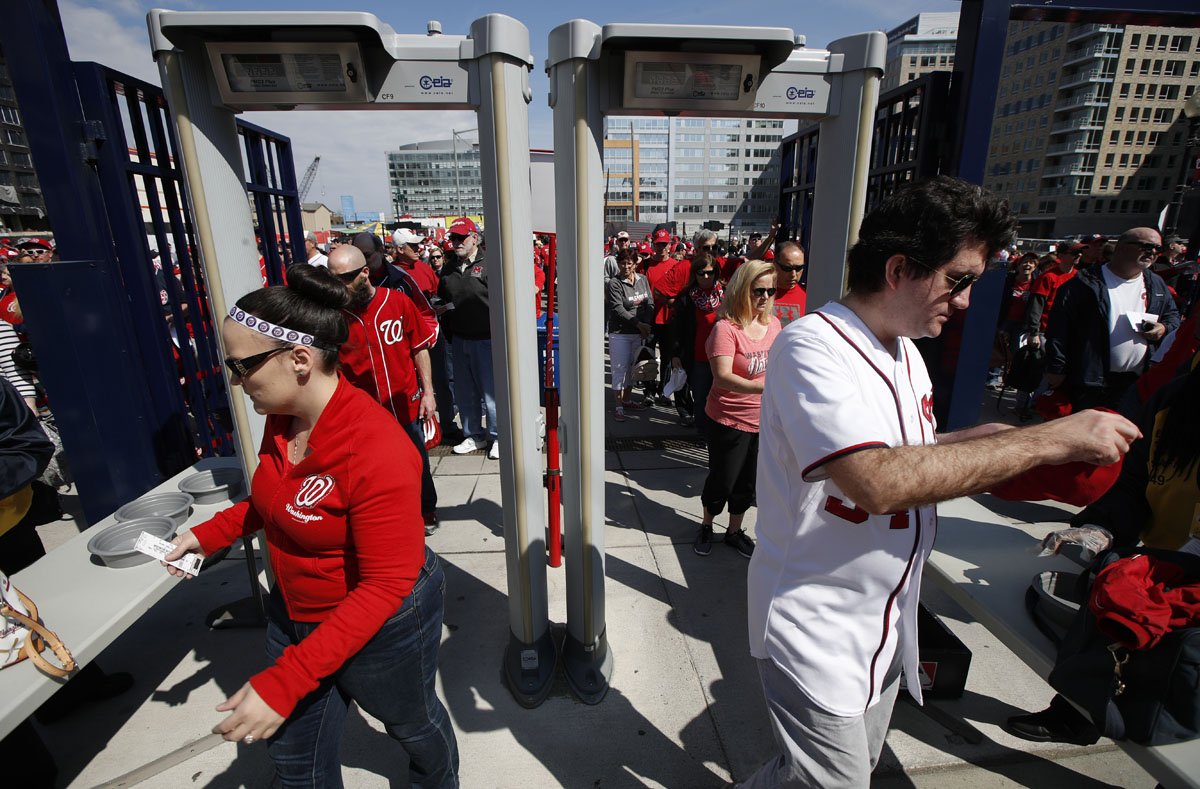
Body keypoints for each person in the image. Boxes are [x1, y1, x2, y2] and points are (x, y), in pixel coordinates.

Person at [743, 176, 1140, 788]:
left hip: (883, 621)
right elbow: (876, 481)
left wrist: (998, 442)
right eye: (958, 280)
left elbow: (911, 455)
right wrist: (1048, 440)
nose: (965, 301)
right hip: (815, 626)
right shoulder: (811, 346)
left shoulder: (906, 351)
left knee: (831, 772)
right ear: (899, 269)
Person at [163, 266, 459, 787]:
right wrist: (206, 535)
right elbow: (274, 500)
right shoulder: (282, 417)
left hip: (383, 622)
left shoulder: (376, 447)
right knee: (295, 761)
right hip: (294, 612)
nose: (235, 380)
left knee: (412, 724)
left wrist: (289, 679)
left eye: (241, 365)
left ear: (299, 359)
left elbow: (386, 583)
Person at [1008, 357, 1200, 745]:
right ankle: (1078, 713)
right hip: (1165, 568)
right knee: (1114, 622)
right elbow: (1132, 483)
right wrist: (1101, 527)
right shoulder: (1176, 398)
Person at [327, 247, 440, 534]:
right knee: (372, 469)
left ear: (365, 272)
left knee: (416, 461)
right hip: (362, 412)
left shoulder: (397, 301)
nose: (339, 286)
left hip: (404, 402)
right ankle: (389, 517)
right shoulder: (334, 315)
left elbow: (419, 348)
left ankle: (426, 510)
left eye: (345, 278)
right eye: (333, 279)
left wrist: (428, 392)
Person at [693, 260, 780, 558]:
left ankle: (734, 531)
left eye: (770, 291)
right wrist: (766, 387)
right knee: (722, 480)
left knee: (747, 484)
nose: (765, 297)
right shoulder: (726, 328)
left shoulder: (774, 325)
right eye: (758, 290)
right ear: (743, 289)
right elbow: (722, 377)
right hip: (728, 419)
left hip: (763, 420)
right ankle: (707, 524)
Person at [1045, 227, 1180, 411]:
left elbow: (1173, 316)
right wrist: (1056, 368)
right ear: (1121, 247)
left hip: (1134, 384)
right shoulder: (1084, 283)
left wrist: (1163, 328)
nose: (1153, 252)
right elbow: (1058, 329)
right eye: (1147, 247)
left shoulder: (1156, 283)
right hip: (1089, 382)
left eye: (1158, 248)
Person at [437, 217, 499, 459]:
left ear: (475, 238)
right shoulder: (449, 268)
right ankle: (474, 434)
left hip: (487, 338)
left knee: (491, 393)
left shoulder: (490, 264)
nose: (456, 242)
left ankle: (498, 436)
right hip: (459, 338)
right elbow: (443, 296)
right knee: (465, 393)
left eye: (461, 237)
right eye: (453, 238)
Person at [669, 253, 723, 435]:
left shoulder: (725, 295)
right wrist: (675, 354)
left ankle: (717, 432)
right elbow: (677, 328)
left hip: (723, 357)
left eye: (710, 272)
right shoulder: (686, 297)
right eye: (701, 273)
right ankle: (703, 433)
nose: (706, 276)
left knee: (721, 398)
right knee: (700, 397)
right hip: (698, 357)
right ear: (695, 274)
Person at [605, 249, 654, 421]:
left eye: (629, 263)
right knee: (619, 369)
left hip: (639, 332)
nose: (625, 266)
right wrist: (639, 324)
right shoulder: (615, 283)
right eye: (622, 263)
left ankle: (627, 399)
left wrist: (646, 324)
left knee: (634, 368)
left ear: (635, 264)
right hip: (620, 333)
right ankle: (618, 406)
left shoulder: (643, 279)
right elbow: (618, 308)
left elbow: (649, 302)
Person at [771, 241, 807, 325]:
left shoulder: (809, 295)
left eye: (798, 268)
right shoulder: (759, 292)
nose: (793, 274)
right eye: (787, 268)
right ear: (774, 265)